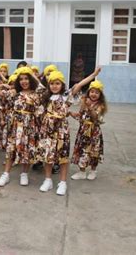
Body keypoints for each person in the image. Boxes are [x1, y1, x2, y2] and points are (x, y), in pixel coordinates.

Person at [36, 67, 101, 196]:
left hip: (61, 130)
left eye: (57, 83)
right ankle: (48, 180)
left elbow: (80, 84)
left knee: (62, 157)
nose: (54, 86)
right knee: (47, 156)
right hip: (47, 130)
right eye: (52, 83)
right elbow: (36, 82)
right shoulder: (45, 96)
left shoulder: (66, 96)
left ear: (62, 84)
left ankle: (62, 182)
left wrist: (94, 74)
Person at [0, 67, 41, 187]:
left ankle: (24, 173)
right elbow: (0, 93)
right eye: (21, 79)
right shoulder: (15, 93)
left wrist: (31, 72)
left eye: (26, 78)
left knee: (27, 150)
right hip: (15, 126)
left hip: (30, 126)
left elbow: (43, 88)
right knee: (11, 150)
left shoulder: (37, 94)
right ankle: (6, 174)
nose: (24, 81)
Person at [70, 80, 108, 180]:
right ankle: (81, 172)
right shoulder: (84, 102)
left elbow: (95, 117)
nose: (94, 94)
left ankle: (93, 170)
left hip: (94, 132)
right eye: (92, 91)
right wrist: (71, 114)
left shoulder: (100, 105)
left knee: (94, 151)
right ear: (88, 92)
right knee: (82, 150)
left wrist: (89, 107)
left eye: (97, 92)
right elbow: (81, 116)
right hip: (83, 131)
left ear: (100, 95)